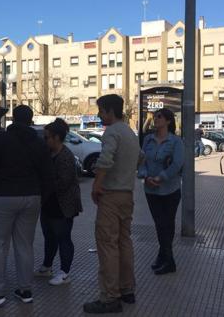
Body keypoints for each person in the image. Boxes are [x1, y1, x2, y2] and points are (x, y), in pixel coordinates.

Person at [0, 105, 54, 308]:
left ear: (13, 119)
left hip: (2, 198)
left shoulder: (1, 139)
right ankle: (25, 290)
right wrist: (41, 197)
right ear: (30, 120)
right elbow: (48, 174)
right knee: (25, 244)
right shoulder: (39, 143)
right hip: (32, 198)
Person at [83, 94, 141, 314]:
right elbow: (140, 157)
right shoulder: (129, 132)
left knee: (107, 245)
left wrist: (97, 184)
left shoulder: (112, 132)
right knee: (124, 242)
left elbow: (105, 159)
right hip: (128, 195)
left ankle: (109, 298)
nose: (99, 115)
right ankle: (127, 290)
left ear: (109, 111)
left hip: (111, 196)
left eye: (100, 111)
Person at [35, 118, 83, 286]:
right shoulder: (49, 154)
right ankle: (47, 266)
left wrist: (43, 186)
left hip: (63, 205)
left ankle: (64, 272)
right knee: (49, 236)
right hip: (49, 203)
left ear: (56, 137)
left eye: (47, 137)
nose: (45, 140)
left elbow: (63, 182)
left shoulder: (66, 156)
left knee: (63, 237)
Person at [137, 108, 184, 275]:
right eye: (155, 117)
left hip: (170, 190)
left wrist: (161, 177)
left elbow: (177, 164)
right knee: (159, 224)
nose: (155, 119)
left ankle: (168, 260)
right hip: (151, 190)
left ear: (168, 121)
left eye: (159, 117)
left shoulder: (175, 141)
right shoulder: (148, 139)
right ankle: (163, 256)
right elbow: (141, 161)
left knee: (167, 224)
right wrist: (145, 176)